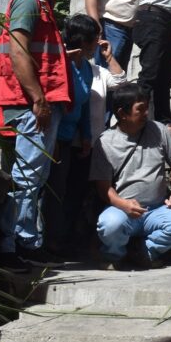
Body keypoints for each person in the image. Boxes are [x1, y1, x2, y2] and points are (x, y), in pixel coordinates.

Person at [0, 0, 78, 271]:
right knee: (26, 178)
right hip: (30, 105)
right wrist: (39, 99)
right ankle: (14, 245)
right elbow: (18, 51)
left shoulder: (40, 3)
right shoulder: (29, 1)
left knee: (30, 177)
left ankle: (23, 242)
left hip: (31, 103)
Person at [43, 14, 126, 256]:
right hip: (57, 139)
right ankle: (49, 243)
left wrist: (88, 137)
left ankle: (67, 242)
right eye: (95, 40)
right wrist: (55, 139)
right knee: (55, 193)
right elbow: (54, 105)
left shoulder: (89, 70)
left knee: (75, 194)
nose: (98, 44)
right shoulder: (62, 64)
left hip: (78, 141)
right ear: (84, 42)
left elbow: (83, 108)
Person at [91, 83, 171, 269]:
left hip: (157, 209)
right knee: (109, 225)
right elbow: (103, 187)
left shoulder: (159, 130)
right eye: (141, 109)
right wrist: (124, 204)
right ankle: (115, 256)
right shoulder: (105, 142)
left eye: (148, 107)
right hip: (123, 209)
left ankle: (144, 251)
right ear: (122, 113)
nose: (147, 113)